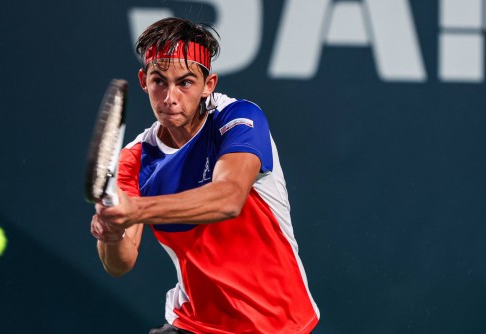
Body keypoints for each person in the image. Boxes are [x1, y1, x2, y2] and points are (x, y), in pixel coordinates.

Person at [90, 17, 319, 334]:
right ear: (144, 80)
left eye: (185, 83)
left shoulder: (238, 118)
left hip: (277, 324)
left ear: (208, 84)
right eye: (159, 81)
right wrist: (113, 234)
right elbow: (121, 262)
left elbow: (228, 198)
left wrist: (136, 210)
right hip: (193, 324)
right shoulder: (135, 159)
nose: (170, 97)